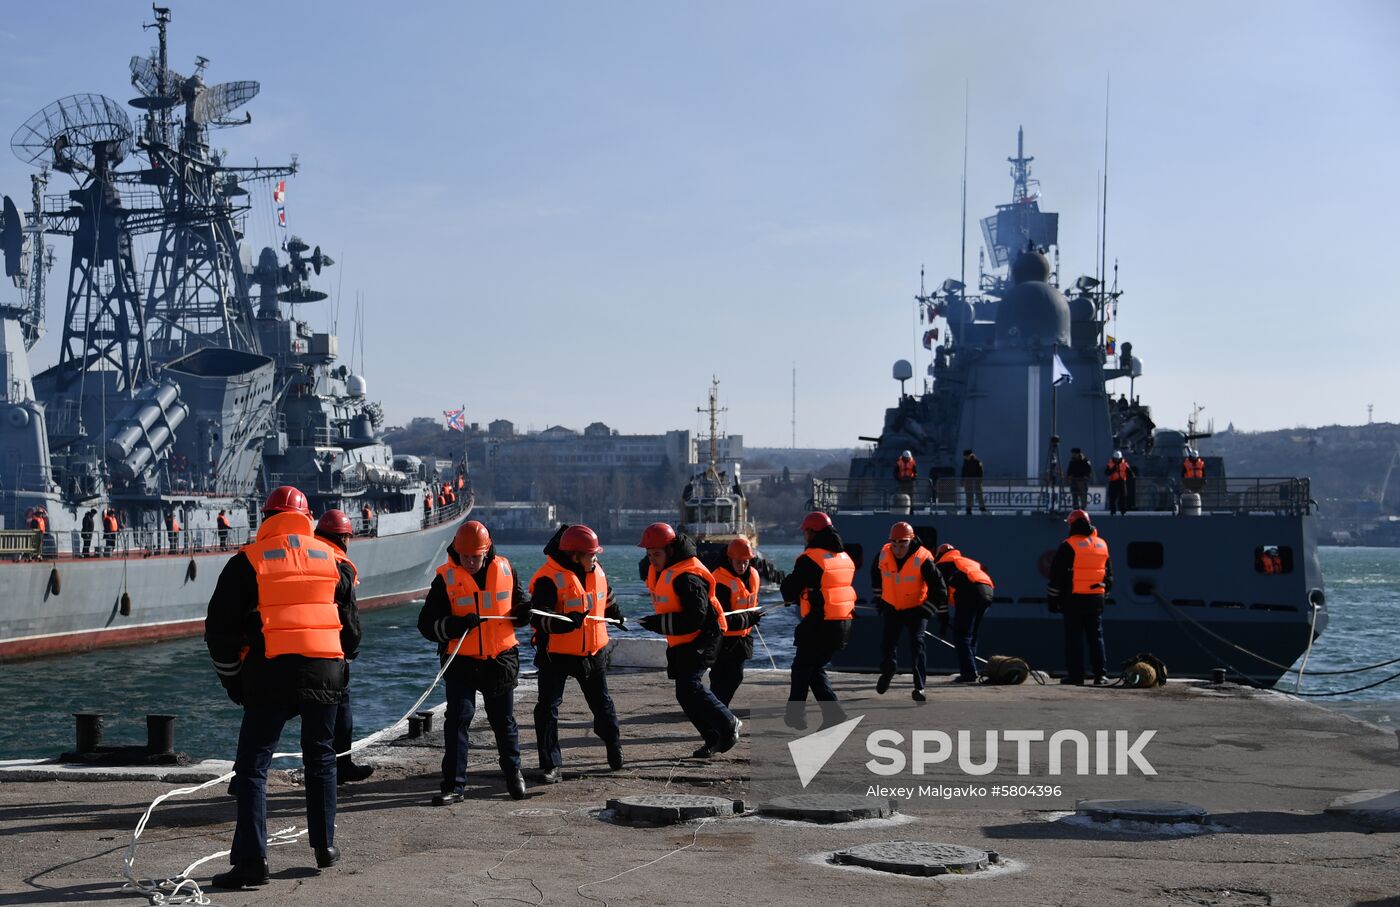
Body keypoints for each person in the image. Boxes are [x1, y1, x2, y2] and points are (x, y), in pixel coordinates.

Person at [204, 485, 360, 889]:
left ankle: (252, 862)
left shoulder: (248, 561)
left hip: (270, 673)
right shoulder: (335, 560)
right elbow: (353, 635)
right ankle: (325, 847)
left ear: (266, 517)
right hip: (325, 671)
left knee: (254, 768)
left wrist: (233, 681)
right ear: (308, 519)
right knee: (321, 758)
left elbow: (218, 631)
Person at [418, 520, 530, 803]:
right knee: (457, 720)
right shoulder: (445, 579)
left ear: (486, 551)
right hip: (461, 663)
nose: (470, 562)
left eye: (475, 557)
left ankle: (514, 774)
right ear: (457, 552)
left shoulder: (507, 570)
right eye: (465, 556)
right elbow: (427, 625)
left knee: (503, 722)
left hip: (500, 659)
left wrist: (525, 614)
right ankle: (453, 786)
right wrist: (455, 626)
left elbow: (520, 605)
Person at [636, 523, 745, 758]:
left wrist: (657, 623)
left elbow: (696, 617)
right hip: (683, 639)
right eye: (649, 555)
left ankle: (729, 723)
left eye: (656, 554)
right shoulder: (663, 568)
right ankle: (713, 737)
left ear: (671, 551)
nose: (652, 560)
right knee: (683, 693)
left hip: (706, 635)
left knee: (690, 685)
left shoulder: (687, 577)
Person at [529, 524, 624, 783]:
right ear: (575, 555)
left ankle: (613, 743)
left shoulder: (596, 570)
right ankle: (551, 765)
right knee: (547, 708)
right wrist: (563, 621)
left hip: (593, 652)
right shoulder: (549, 577)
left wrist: (617, 615)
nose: (596, 557)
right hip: (556, 654)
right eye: (591, 553)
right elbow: (538, 617)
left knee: (602, 705)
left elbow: (608, 598)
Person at [314, 510, 375, 787]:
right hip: (330, 649)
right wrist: (351, 647)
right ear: (344, 538)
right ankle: (341, 766)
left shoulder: (306, 553)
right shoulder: (341, 564)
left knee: (274, 714)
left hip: (289, 644)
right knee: (341, 710)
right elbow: (348, 613)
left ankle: (245, 772)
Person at [780, 512, 855, 708]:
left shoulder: (811, 558)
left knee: (801, 668)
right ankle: (834, 714)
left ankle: (795, 713)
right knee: (814, 669)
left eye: (805, 531)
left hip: (819, 624)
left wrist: (792, 592)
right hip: (842, 623)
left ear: (813, 532)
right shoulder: (844, 557)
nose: (804, 535)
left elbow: (790, 589)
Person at [872, 522, 947, 700]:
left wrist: (925, 611)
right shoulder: (883, 554)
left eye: (902, 545)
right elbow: (875, 577)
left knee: (917, 646)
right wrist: (880, 600)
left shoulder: (923, 559)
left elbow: (940, 590)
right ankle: (888, 671)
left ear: (911, 541)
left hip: (916, 610)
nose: (898, 549)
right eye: (895, 545)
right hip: (892, 608)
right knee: (887, 645)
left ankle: (919, 687)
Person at [1046, 508, 1113, 685]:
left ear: (1072, 525)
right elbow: (1109, 576)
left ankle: (1076, 675)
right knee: (1096, 637)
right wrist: (1103, 596)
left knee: (1074, 639)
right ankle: (1101, 675)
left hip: (1074, 599)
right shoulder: (1101, 544)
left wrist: (1053, 601)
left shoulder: (1068, 545)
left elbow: (1056, 577)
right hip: (1096, 599)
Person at [709, 537, 764, 707]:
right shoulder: (719, 580)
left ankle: (717, 709)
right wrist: (751, 619)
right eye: (738, 562)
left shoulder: (753, 575)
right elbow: (723, 618)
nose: (742, 565)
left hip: (741, 638)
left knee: (736, 677)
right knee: (720, 678)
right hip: (722, 639)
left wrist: (753, 616)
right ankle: (717, 711)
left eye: (746, 562)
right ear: (729, 559)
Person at [933, 542, 995, 682]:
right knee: (972, 634)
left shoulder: (942, 565)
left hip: (969, 592)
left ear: (939, 555)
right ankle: (972, 668)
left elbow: (940, 594)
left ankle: (968, 673)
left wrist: (943, 618)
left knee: (961, 634)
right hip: (987, 592)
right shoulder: (966, 561)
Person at [1105, 450, 1131, 515]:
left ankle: (1123, 510)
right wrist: (1113, 470)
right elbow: (1106, 472)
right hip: (1113, 482)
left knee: (1123, 497)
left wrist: (1132, 476)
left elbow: (1129, 472)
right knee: (1112, 497)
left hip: (1122, 482)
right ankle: (1113, 511)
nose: (1116, 460)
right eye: (1115, 459)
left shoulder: (1124, 464)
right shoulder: (1110, 464)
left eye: (1117, 459)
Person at [961, 449, 987, 515]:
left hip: (976, 481)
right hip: (968, 482)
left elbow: (981, 472)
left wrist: (980, 480)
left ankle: (982, 508)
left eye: (966, 455)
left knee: (979, 495)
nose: (965, 457)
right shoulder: (965, 462)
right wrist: (962, 480)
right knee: (969, 496)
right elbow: (963, 472)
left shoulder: (977, 462)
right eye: (965, 456)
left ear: (971, 455)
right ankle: (969, 509)